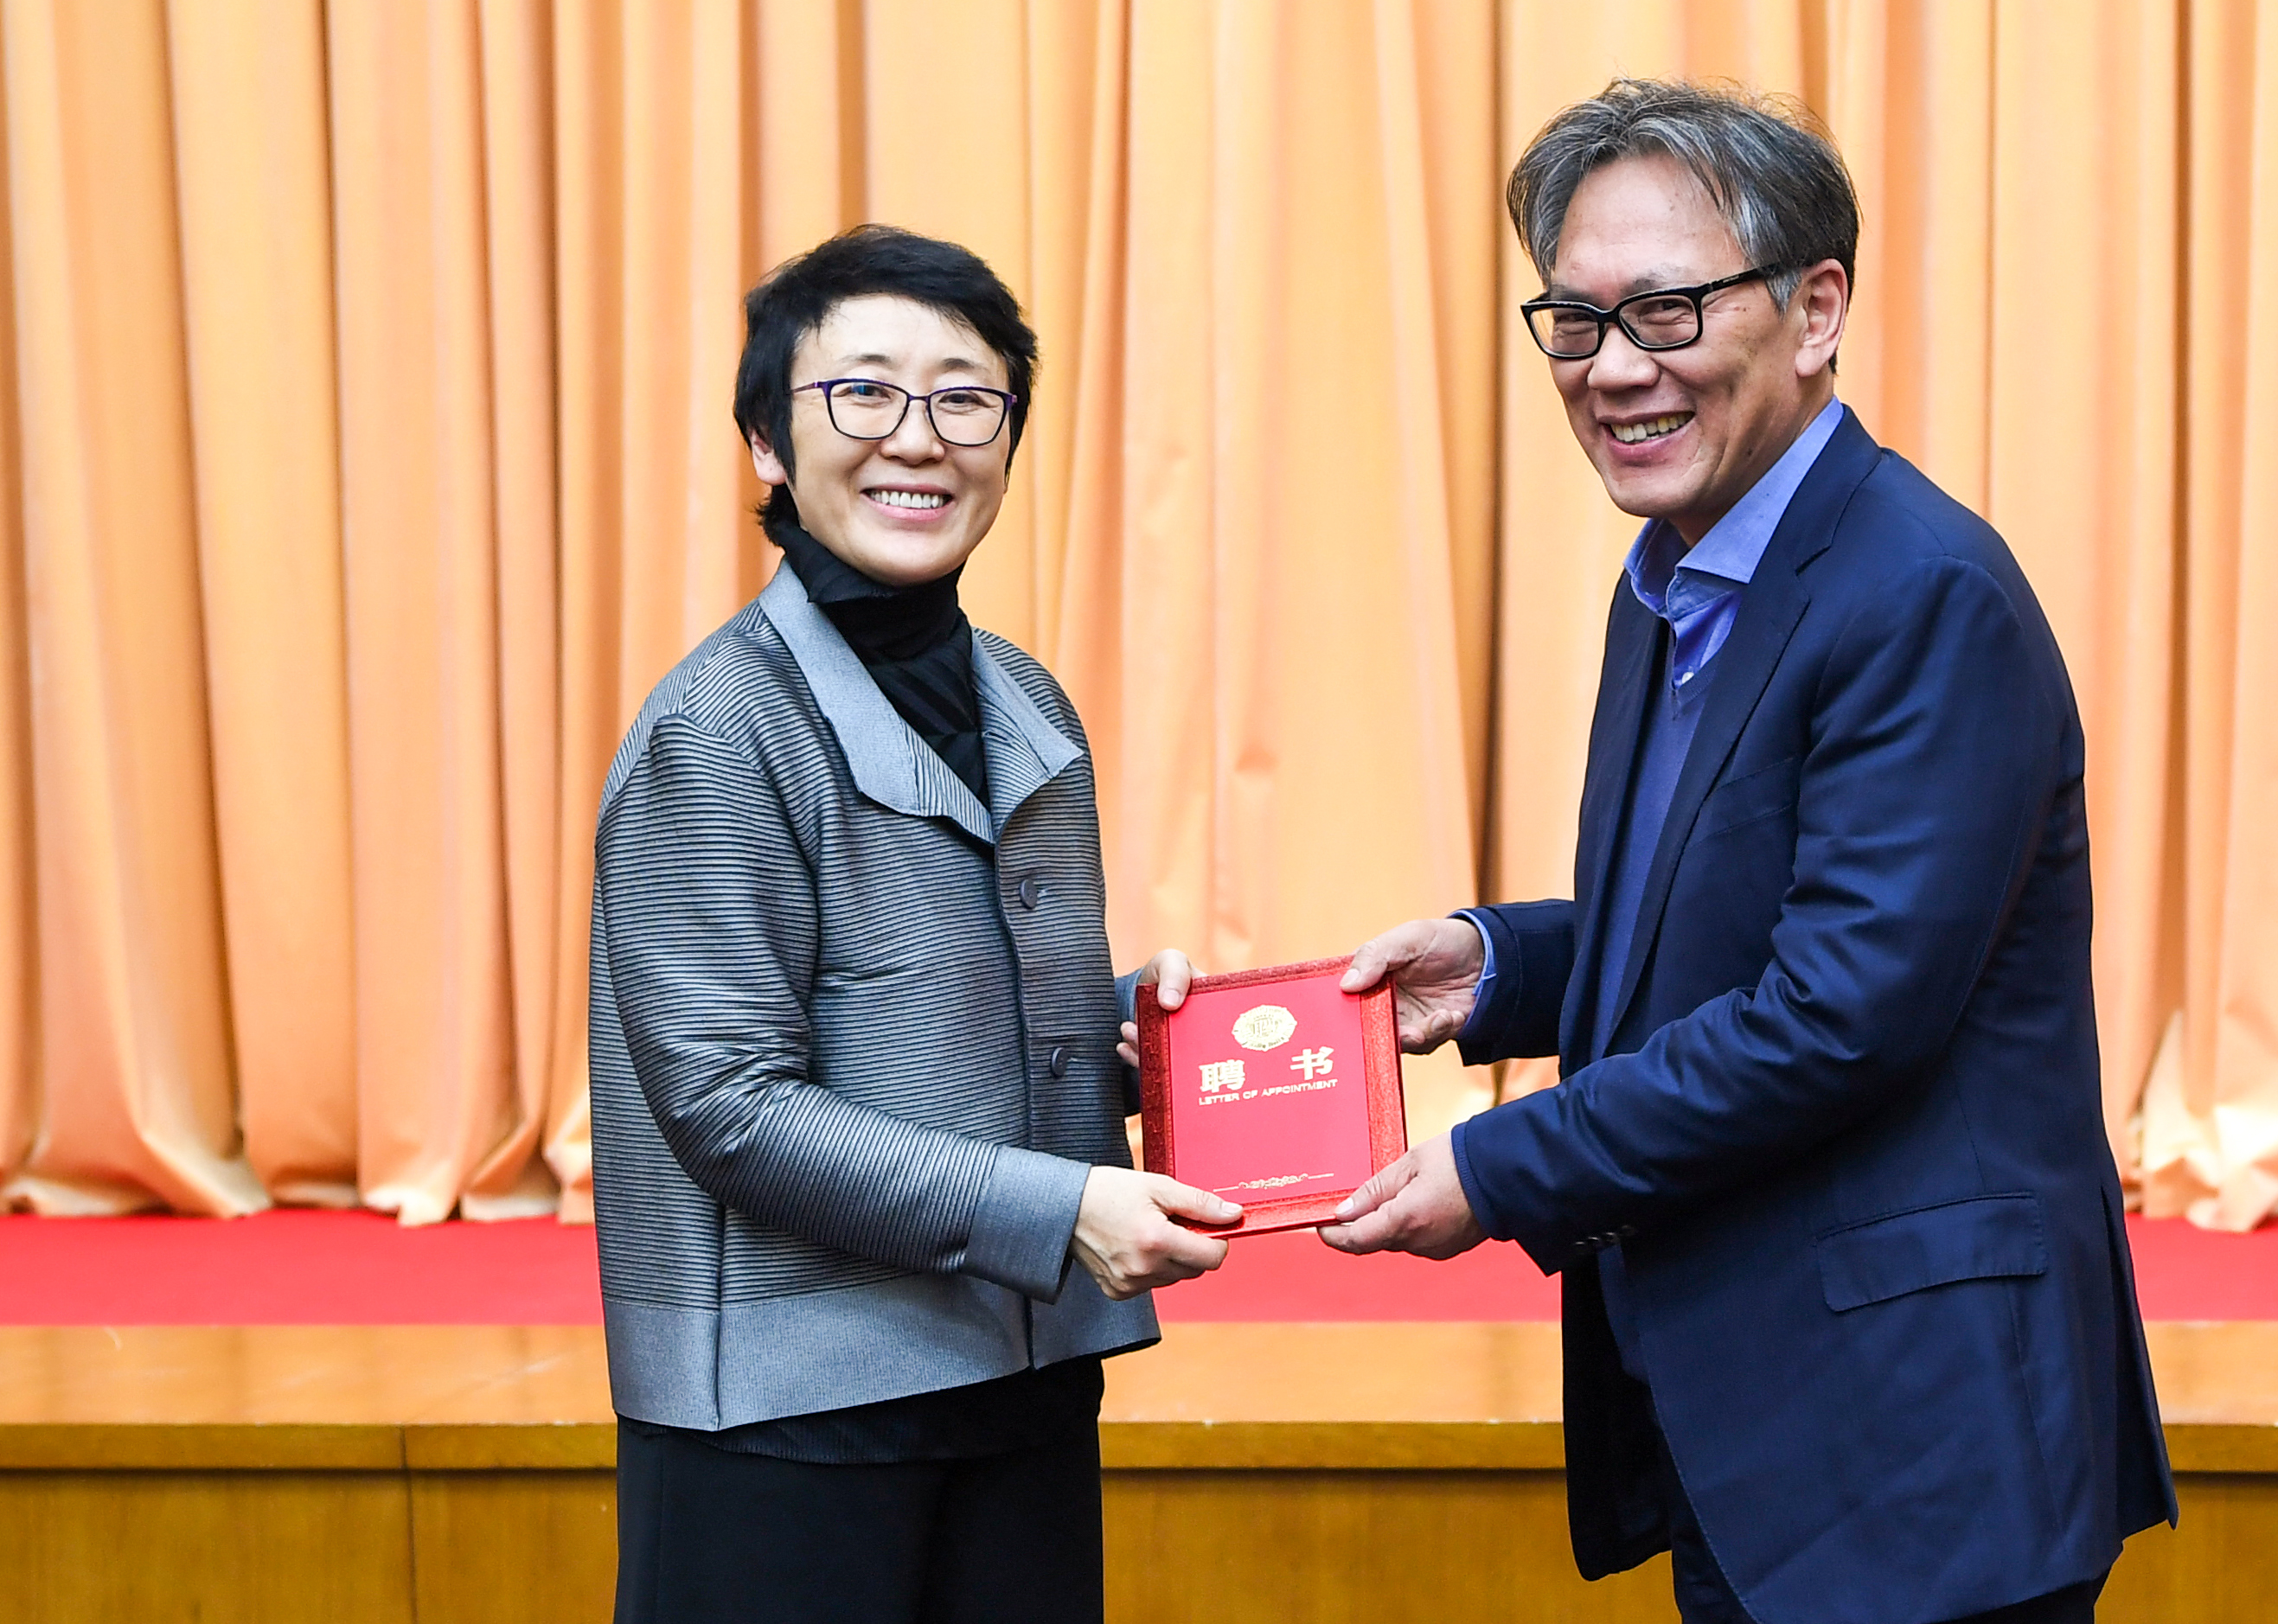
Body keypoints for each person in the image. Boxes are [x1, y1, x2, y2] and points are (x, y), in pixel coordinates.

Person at [1322, 80, 2176, 1624]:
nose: (1614, 368)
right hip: (1765, 1425)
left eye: (1667, 311)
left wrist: (1499, 1168)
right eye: (1575, 321)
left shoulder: (1920, 590)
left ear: (1816, 309)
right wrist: (1498, 968)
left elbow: (1840, 1013)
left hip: (1919, 1442)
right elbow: (1718, 919)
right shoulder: (1678, 573)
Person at [589, 225, 1236, 1624]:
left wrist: (1131, 1044)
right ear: (769, 440)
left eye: (964, 397)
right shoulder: (715, 727)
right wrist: (1060, 1207)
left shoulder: (1027, 698)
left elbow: (915, 1008)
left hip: (1019, 1380)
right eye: (864, 391)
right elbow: (731, 1106)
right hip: (788, 1417)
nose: (919, 437)